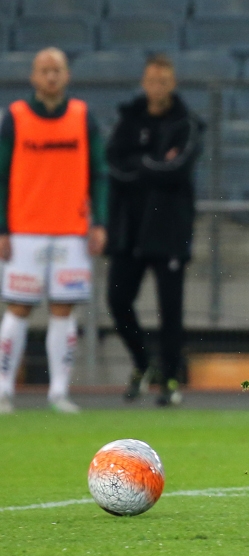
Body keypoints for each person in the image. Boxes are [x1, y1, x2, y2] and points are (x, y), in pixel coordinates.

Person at [0, 47, 108, 415]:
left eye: (57, 70)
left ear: (66, 75)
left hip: (70, 231)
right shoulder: (14, 118)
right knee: (18, 308)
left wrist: (100, 222)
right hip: (24, 231)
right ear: (33, 76)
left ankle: (59, 392)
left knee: (64, 310)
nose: (50, 76)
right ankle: (3, 391)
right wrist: (2, 228)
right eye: (44, 70)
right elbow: (0, 176)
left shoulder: (82, 117)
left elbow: (99, 174)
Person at [105, 55, 204, 407]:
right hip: (129, 229)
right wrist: (153, 164)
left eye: (164, 81)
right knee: (117, 300)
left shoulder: (187, 123)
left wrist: (140, 163)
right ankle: (143, 363)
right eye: (152, 80)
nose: (157, 87)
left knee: (170, 309)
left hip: (168, 229)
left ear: (171, 83)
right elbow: (114, 164)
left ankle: (171, 376)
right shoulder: (129, 118)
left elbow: (178, 168)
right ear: (144, 82)